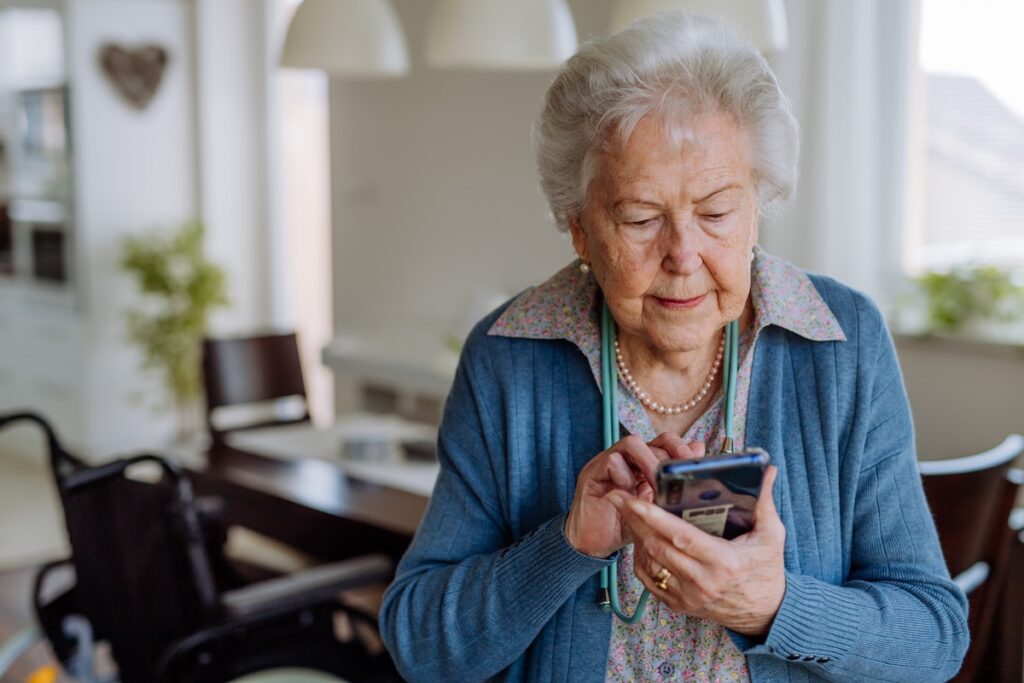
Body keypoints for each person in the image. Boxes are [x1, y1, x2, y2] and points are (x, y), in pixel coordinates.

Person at [380, 13, 968, 682]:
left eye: (717, 211)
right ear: (578, 227)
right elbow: (420, 646)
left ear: (758, 205)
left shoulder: (841, 342)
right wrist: (566, 544)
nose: (682, 255)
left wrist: (774, 606)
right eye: (639, 217)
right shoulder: (509, 356)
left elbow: (934, 639)